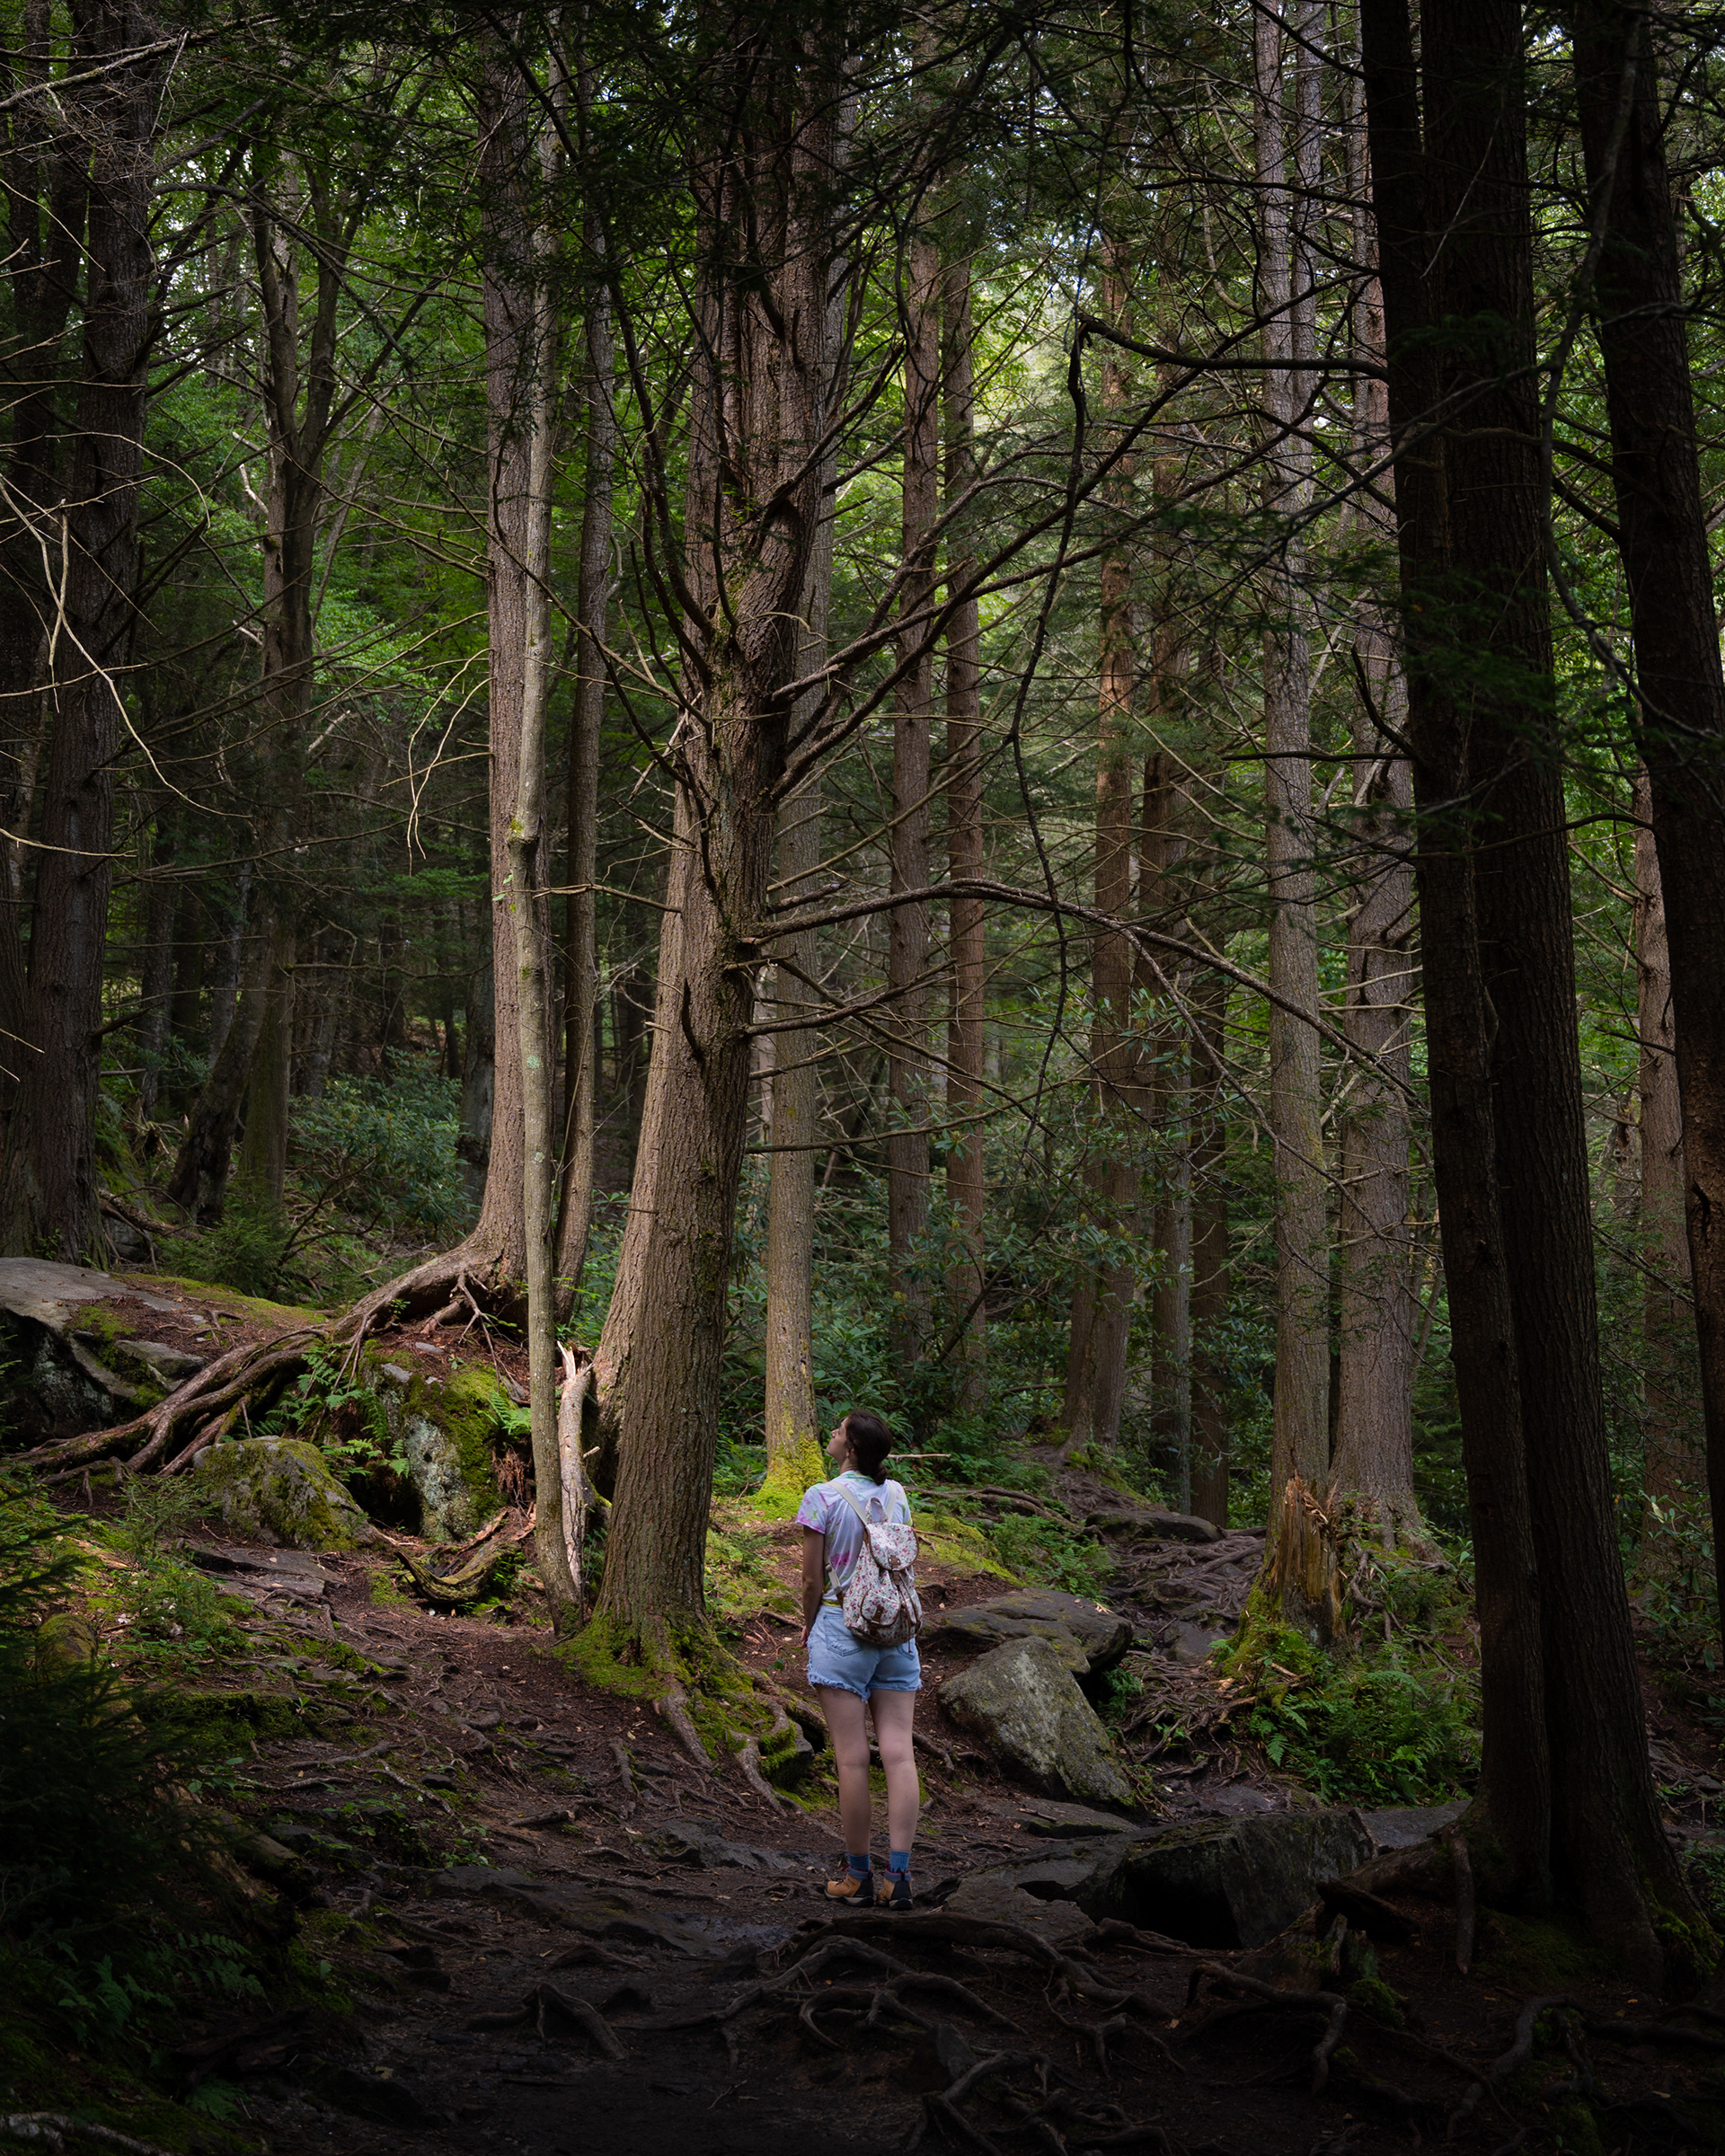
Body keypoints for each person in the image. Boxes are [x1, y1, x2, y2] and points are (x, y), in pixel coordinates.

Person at [798, 1409, 920, 1908]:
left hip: (841, 1628)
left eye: (838, 1430)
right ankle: (900, 1877)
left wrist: (808, 1628)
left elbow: (810, 1580)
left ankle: (857, 1877)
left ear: (850, 1449)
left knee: (851, 1759)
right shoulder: (897, 1495)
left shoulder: (822, 1496)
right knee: (899, 1753)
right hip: (896, 1633)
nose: (831, 1433)